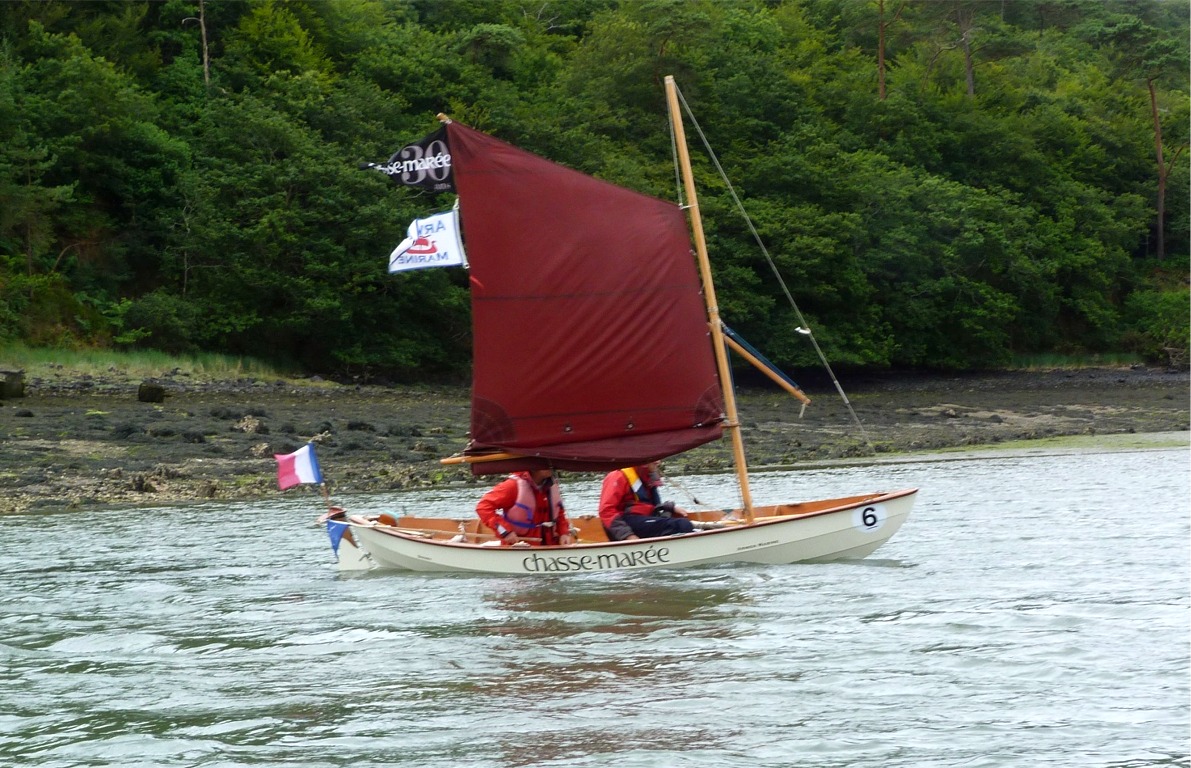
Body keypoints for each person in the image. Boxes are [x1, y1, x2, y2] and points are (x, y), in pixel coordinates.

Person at [475, 468, 575, 546]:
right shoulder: (512, 486)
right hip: (518, 547)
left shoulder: (551, 485)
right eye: (545, 462)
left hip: (551, 546)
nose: (551, 466)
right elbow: (483, 507)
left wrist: (563, 533)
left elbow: (558, 512)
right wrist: (505, 532)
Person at [598, 461, 695, 541]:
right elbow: (606, 511)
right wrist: (628, 536)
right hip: (625, 525)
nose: (658, 462)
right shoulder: (617, 476)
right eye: (654, 458)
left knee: (683, 523)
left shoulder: (646, 476)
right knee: (682, 525)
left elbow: (646, 506)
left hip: (642, 521)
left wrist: (668, 508)